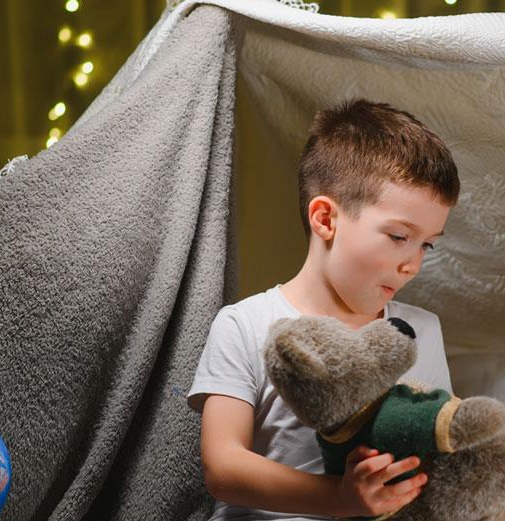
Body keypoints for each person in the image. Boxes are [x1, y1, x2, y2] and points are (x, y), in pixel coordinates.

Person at [188, 99, 459, 520]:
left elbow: (439, 446)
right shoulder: (245, 324)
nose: (414, 264)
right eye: (398, 236)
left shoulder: (420, 330)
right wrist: (340, 497)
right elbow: (223, 467)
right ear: (325, 219)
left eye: (427, 244)